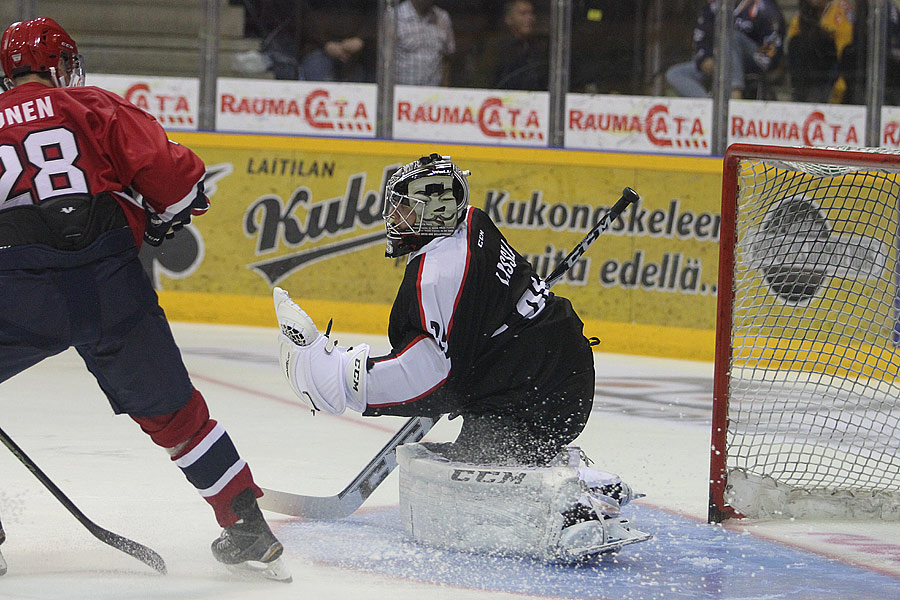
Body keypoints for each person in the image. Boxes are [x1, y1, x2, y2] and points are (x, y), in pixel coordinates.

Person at [0, 17, 289, 581]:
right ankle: (247, 524)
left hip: (17, 290)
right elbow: (181, 181)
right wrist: (157, 217)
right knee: (175, 412)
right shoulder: (94, 104)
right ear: (59, 64)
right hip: (109, 284)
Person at [272, 153, 649, 559]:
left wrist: (343, 380)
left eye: (403, 207)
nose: (394, 217)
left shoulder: (438, 272)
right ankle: (588, 480)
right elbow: (470, 333)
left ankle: (571, 508)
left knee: (474, 477)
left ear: (432, 213)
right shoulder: (471, 221)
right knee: (483, 453)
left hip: (534, 391)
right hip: (548, 367)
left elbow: (433, 377)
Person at [665, 0, 786, 99]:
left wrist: (740, 63)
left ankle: (735, 93)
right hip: (720, 62)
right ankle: (709, 108)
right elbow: (702, 36)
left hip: (753, 61)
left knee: (730, 35)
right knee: (675, 74)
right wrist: (705, 58)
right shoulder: (714, 5)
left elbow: (773, 43)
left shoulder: (763, 6)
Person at [786, 0, 854, 103]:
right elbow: (792, 41)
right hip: (809, 72)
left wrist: (841, 82)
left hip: (832, 70)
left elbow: (844, 50)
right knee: (798, 43)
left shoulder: (841, 9)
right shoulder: (803, 11)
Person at [298, 0, 376, 83]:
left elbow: (378, 12)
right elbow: (303, 13)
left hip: (362, 52)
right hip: (318, 48)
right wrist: (325, 44)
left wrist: (361, 39)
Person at [394, 0, 455, 86]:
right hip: (402, 94)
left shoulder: (442, 18)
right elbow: (384, 60)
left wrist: (445, 89)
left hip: (434, 94)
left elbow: (447, 56)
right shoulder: (394, 18)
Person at [490, 0, 548, 90]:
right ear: (508, 19)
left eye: (531, 14)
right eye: (523, 14)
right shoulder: (497, 49)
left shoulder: (539, 47)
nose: (529, 18)